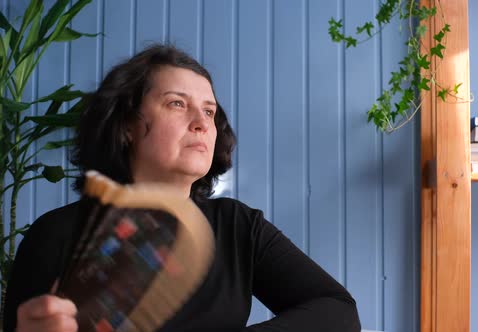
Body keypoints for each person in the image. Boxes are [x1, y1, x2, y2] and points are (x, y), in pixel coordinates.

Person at [2, 44, 361, 332]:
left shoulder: (238, 227)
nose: (201, 123)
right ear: (126, 124)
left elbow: (338, 311)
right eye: (177, 103)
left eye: (209, 111)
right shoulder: (55, 235)